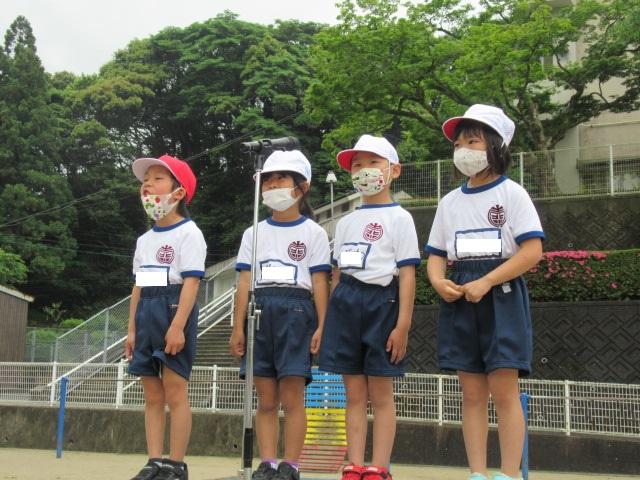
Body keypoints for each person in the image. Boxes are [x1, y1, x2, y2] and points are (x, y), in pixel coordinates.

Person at [425, 104, 544, 480]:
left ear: (496, 146)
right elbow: (436, 255)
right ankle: (477, 473)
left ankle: (508, 474)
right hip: (462, 298)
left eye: (473, 141)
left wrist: (488, 280)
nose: (464, 150)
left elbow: (531, 251)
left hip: (502, 296)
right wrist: (438, 281)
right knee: (472, 394)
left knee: (504, 392)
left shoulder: (512, 194)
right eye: (458, 144)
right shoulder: (449, 202)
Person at [319, 135, 421, 480]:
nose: (364, 171)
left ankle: (379, 466)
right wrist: (330, 320)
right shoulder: (346, 222)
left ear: (394, 170)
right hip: (346, 302)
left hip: (382, 303)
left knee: (380, 391)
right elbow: (337, 274)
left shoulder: (400, 218)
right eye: (357, 165)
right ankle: (354, 463)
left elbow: (407, 274)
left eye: (373, 163)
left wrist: (402, 324)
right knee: (353, 393)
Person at [229, 150, 331, 480]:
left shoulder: (314, 232)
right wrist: (238, 326)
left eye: (281, 178)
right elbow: (244, 281)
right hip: (260, 311)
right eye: (268, 180)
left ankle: (291, 464)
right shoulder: (253, 233)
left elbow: (319, 281)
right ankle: (268, 462)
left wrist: (323, 325)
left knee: (292, 397)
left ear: (302, 186)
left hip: (297, 311)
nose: (273, 185)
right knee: (266, 398)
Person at [125, 154, 207, 480]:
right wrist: (132, 329)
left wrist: (177, 326)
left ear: (179, 191)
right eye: (145, 181)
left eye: (158, 179)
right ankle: (154, 461)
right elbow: (138, 285)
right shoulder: (144, 240)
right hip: (147, 309)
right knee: (152, 394)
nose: (148, 185)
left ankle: (176, 464)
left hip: (174, 308)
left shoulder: (189, 233)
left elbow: (192, 282)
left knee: (175, 391)